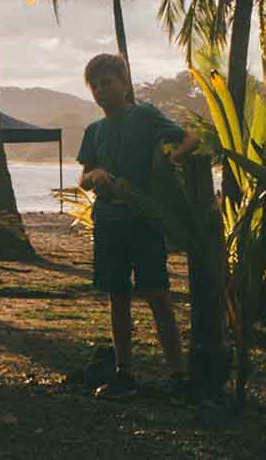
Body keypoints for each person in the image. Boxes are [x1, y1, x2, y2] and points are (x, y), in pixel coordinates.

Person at [77, 52, 199, 399]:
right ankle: (124, 373)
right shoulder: (94, 131)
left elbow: (190, 139)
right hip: (108, 220)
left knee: (157, 293)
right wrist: (95, 175)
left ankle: (178, 374)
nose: (100, 91)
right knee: (117, 295)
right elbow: (83, 178)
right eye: (94, 85)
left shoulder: (144, 116)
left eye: (107, 82)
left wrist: (171, 161)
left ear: (125, 83)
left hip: (144, 218)